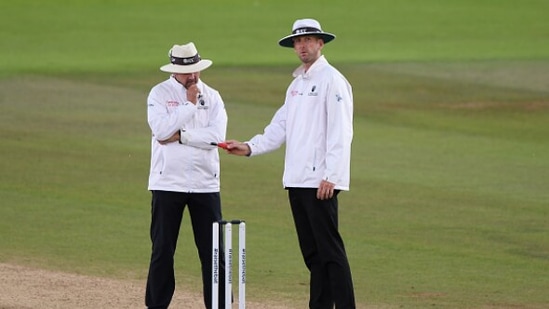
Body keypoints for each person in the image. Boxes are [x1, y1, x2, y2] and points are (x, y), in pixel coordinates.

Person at [225, 18, 356, 308]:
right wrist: (249, 147)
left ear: (320, 43)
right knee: (313, 254)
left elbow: (341, 131)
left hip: (320, 181)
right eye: (298, 41)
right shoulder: (297, 84)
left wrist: (331, 175)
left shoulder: (332, 80)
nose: (302, 46)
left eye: (308, 40)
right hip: (296, 180)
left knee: (330, 252)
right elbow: (279, 126)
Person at [145, 42, 228, 309]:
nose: (193, 77)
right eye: (187, 72)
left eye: (196, 70)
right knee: (162, 250)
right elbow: (160, 131)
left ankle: (220, 305)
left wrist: (181, 136)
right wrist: (189, 106)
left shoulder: (213, 96)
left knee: (213, 253)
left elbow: (217, 138)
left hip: (205, 183)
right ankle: (156, 305)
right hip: (168, 182)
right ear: (174, 71)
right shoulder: (158, 94)